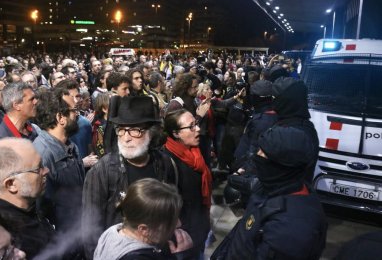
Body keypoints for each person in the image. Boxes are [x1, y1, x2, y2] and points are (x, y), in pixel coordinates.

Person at [211, 126, 327, 260]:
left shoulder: (291, 230)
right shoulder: (275, 185)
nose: (257, 156)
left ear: (281, 165)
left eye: (263, 153)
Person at [82, 96, 176, 260]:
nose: (126, 138)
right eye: (121, 130)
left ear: (150, 133)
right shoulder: (102, 171)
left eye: (135, 130)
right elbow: (90, 229)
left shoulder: (164, 163)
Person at [0, 138, 54, 259]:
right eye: (38, 168)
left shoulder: (27, 205)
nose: (46, 170)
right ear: (11, 184)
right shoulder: (6, 240)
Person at [94, 178, 193, 260]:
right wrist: (181, 257)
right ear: (144, 230)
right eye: (170, 220)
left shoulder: (112, 232)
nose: (179, 223)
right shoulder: (137, 257)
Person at [33, 90, 85, 235]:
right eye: (74, 110)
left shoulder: (70, 145)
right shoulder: (42, 154)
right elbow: (41, 208)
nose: (78, 115)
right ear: (60, 117)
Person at [163, 109, 212, 258]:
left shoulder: (195, 150)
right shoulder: (166, 161)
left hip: (201, 226)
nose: (197, 129)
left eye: (196, 124)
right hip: (183, 237)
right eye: (191, 127)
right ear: (176, 133)